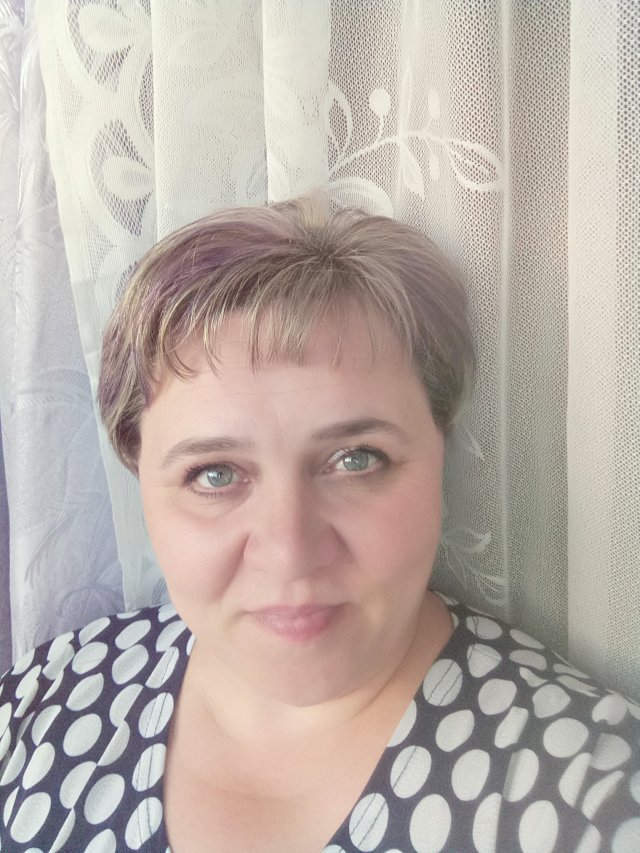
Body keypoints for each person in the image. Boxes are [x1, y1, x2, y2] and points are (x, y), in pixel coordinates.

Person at [0, 197, 638, 853]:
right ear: (140, 481)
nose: (290, 551)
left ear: (442, 454)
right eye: (215, 474)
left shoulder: (592, 793)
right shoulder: (44, 700)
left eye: (357, 459)